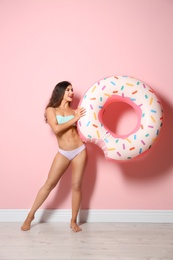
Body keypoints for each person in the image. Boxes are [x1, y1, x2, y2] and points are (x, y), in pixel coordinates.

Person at [21, 81, 87, 232]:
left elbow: (89, 126)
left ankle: (73, 221)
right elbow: (56, 129)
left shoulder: (75, 111)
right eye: (68, 89)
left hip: (80, 150)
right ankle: (30, 216)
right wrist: (75, 119)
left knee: (77, 186)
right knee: (49, 184)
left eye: (72, 89)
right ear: (61, 92)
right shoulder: (52, 110)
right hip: (63, 152)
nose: (71, 92)